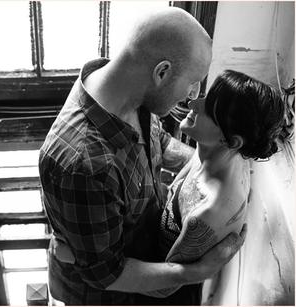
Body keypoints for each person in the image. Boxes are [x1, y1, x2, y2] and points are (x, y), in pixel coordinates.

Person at [38, 7, 246, 305]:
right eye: (193, 81)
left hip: (143, 250)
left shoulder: (126, 86)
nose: (193, 95)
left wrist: (214, 167)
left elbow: (157, 140)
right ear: (162, 72)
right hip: (105, 294)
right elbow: (108, 274)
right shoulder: (81, 165)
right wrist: (193, 272)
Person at [152, 70, 285, 302]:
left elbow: (163, 289)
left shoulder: (207, 213)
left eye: (210, 109)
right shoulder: (221, 153)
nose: (193, 103)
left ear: (232, 140)